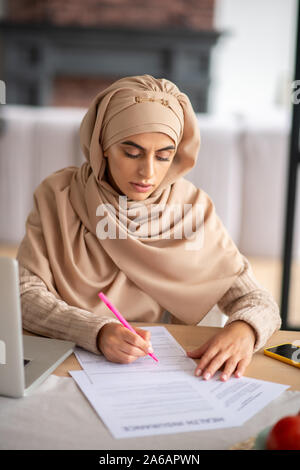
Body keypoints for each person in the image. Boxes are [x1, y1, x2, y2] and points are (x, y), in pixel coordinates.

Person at [17, 75, 281, 382]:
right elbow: (24, 294)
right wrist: (95, 330)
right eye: (131, 153)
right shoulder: (59, 196)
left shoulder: (191, 210)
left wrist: (243, 331)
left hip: (161, 373)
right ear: (101, 145)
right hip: (69, 364)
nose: (148, 172)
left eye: (164, 156)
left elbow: (258, 301)